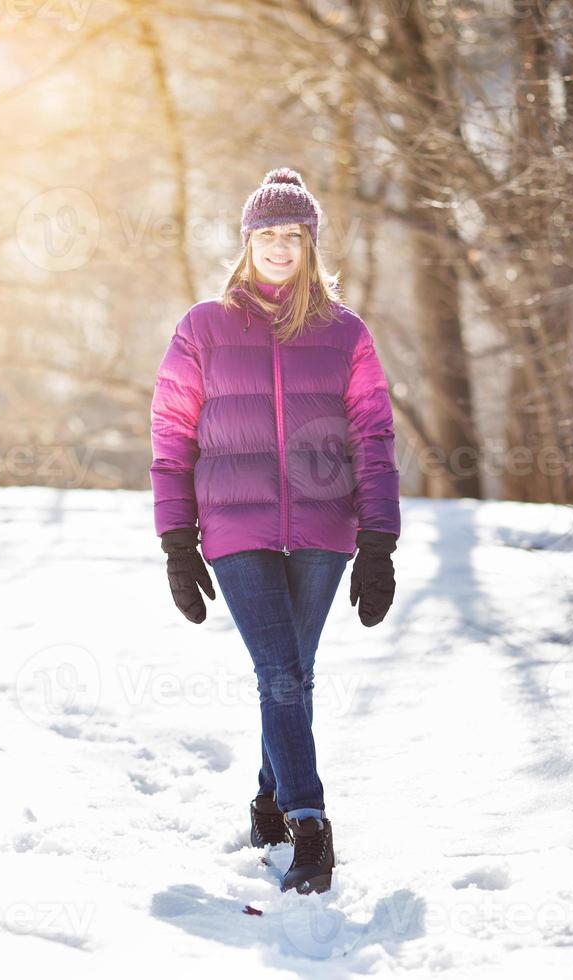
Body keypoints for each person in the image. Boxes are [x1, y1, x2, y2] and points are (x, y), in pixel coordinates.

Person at [149, 168, 400, 895]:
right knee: (282, 672)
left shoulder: (345, 333)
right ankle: (309, 821)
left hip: (325, 527)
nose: (280, 248)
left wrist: (379, 539)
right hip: (236, 525)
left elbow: (374, 436)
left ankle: (267, 800)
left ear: (311, 244)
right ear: (246, 242)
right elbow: (171, 436)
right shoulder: (204, 327)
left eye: (293, 235)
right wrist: (176, 540)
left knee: (291, 671)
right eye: (267, 235)